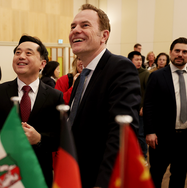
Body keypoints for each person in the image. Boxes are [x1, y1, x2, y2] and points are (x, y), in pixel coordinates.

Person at [68, 4, 140, 188]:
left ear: (104, 36)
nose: (76, 30)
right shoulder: (81, 78)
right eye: (73, 26)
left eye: (85, 25)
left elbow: (121, 132)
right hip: (75, 174)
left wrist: (104, 182)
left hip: (99, 177)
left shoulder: (120, 68)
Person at [0, 35, 64, 188]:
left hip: (39, 173)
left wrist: (39, 139)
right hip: (4, 172)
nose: (21, 56)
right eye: (17, 52)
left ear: (42, 64)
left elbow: (61, 137)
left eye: (28, 53)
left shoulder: (54, 96)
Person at [144, 37, 187, 188]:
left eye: (185, 52)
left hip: (185, 138)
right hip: (161, 137)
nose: (180, 54)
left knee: (179, 176)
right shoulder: (156, 76)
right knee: (156, 175)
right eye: (177, 50)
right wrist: (150, 131)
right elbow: (149, 105)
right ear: (170, 52)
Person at [128, 51, 150, 164]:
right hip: (128, 110)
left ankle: (143, 158)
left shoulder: (145, 73)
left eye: (140, 60)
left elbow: (148, 92)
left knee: (141, 135)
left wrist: (143, 107)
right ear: (130, 60)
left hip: (140, 110)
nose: (139, 62)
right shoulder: (126, 72)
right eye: (136, 59)